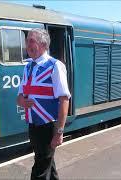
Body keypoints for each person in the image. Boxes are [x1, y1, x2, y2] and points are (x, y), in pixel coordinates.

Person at [17, 28, 71, 180]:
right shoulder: (28, 67)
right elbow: (20, 97)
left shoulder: (55, 66)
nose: (27, 45)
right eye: (27, 41)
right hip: (33, 125)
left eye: (31, 41)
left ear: (43, 44)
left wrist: (59, 132)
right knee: (47, 163)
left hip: (49, 125)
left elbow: (64, 99)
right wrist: (22, 101)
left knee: (40, 169)